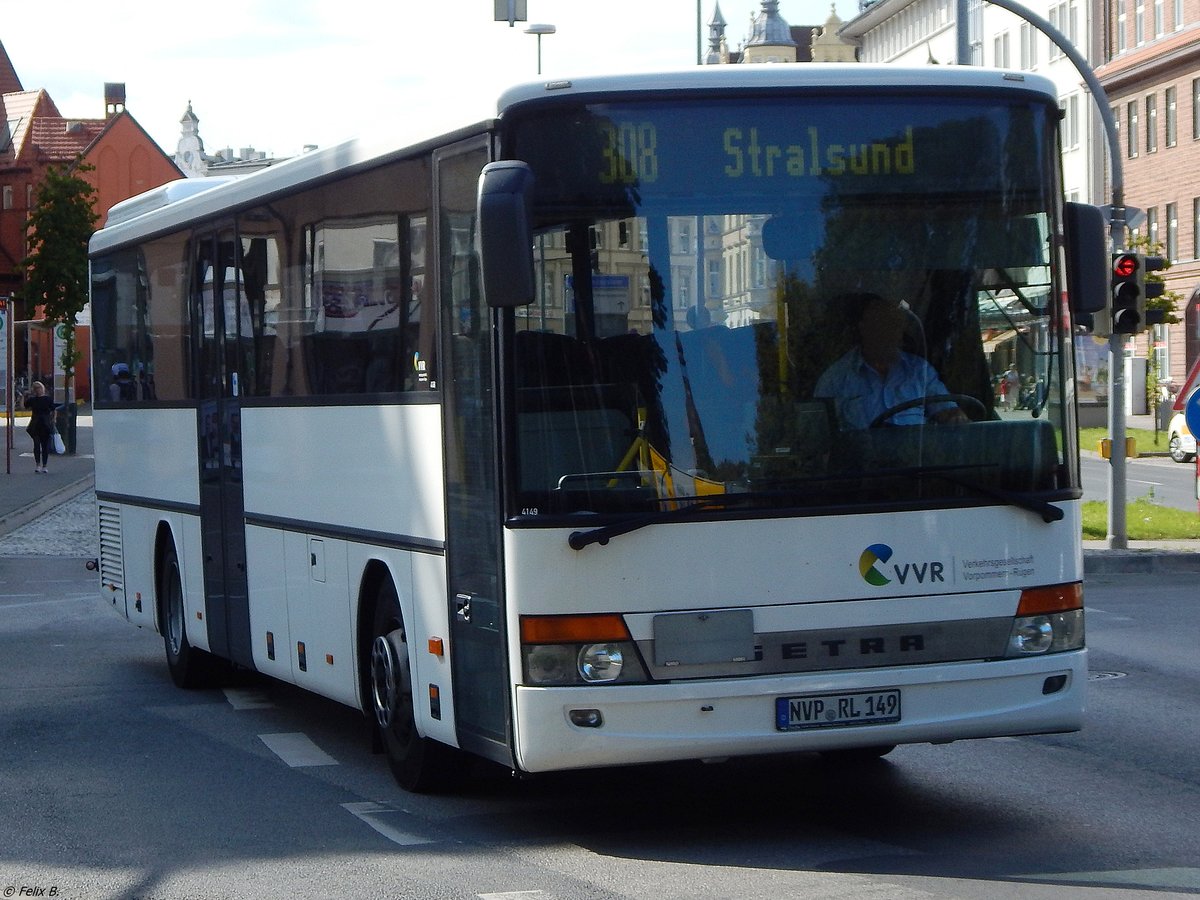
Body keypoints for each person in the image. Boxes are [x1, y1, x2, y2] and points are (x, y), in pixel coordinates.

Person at [815, 292, 970, 430]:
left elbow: (948, 412)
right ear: (863, 329)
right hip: (862, 461)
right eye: (882, 326)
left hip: (918, 459)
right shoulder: (836, 379)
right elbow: (818, 435)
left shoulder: (919, 371)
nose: (891, 334)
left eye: (895, 326)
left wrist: (956, 417)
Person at [23, 381, 56, 473]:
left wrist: (53, 420)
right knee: (36, 444)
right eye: (35, 388)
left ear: (42, 388)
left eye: (39, 388)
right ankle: (38, 464)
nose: (38, 390)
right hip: (35, 423)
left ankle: (44, 465)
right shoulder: (32, 400)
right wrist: (23, 396)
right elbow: (24, 407)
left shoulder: (47, 399)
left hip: (45, 423)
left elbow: (53, 409)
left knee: (45, 446)